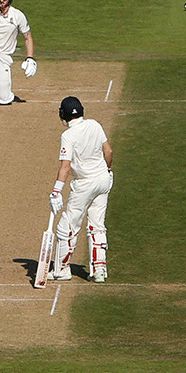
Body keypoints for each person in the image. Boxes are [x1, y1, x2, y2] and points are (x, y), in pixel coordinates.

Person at [47, 97, 113, 283]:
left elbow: (66, 167)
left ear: (63, 115)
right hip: (102, 180)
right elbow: (108, 152)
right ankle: (99, 271)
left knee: (67, 227)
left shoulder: (68, 136)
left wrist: (56, 191)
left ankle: (61, 270)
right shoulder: (95, 125)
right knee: (97, 225)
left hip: (84, 184)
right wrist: (107, 171)